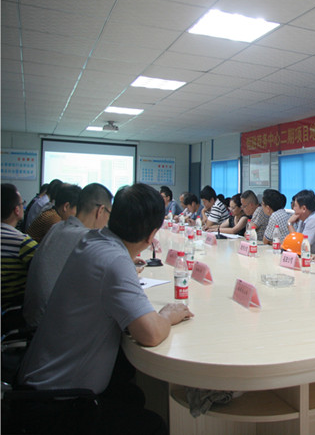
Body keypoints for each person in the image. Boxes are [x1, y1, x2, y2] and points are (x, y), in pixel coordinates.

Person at [17, 183, 194, 434]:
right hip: (56, 402)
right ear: (152, 236)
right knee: (153, 426)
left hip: (40, 380)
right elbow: (151, 333)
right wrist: (168, 314)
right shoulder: (114, 260)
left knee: (132, 392)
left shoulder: (94, 240)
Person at [23, 183, 113, 327]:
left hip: (33, 315)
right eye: (109, 213)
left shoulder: (57, 227)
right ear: (100, 210)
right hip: (50, 324)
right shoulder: (87, 238)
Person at [1, 183, 38, 309]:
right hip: (12, 309)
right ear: (17, 210)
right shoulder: (23, 242)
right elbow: (43, 273)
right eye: (22, 204)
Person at [287, 189, 315, 254]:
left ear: (304, 209)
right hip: (309, 256)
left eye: (295, 206)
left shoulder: (314, 220)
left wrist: (289, 224)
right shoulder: (304, 218)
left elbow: (299, 247)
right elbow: (297, 242)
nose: (293, 209)